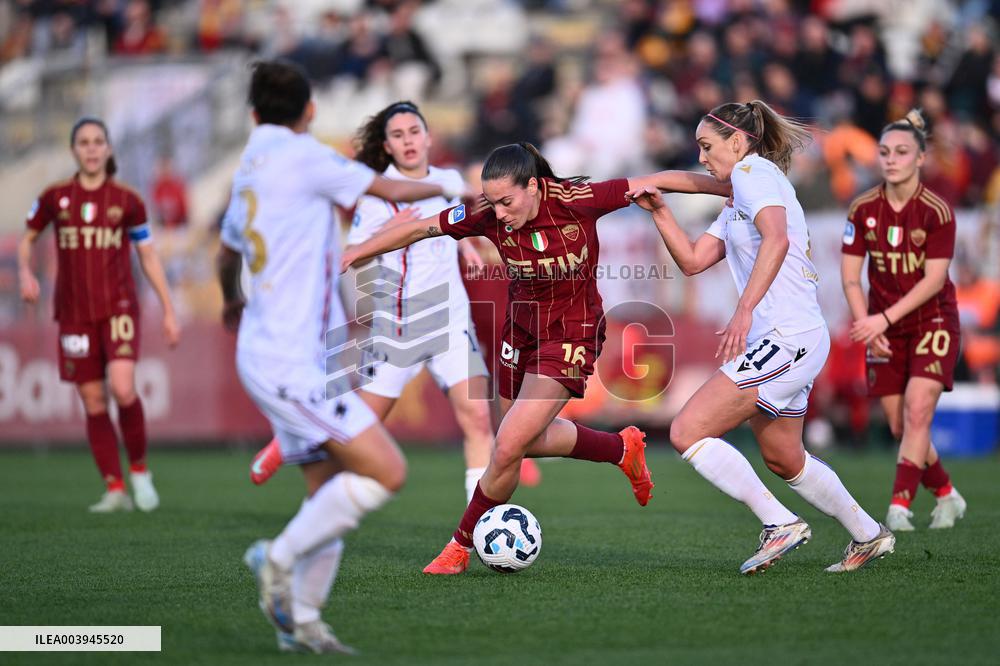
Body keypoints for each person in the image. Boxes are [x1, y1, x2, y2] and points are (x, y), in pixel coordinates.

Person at [341, 141, 731, 575]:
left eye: (507, 201)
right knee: (524, 440)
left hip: (572, 334)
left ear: (534, 187)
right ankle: (622, 448)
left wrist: (730, 188)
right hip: (520, 333)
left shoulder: (579, 200)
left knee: (507, 445)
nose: (500, 212)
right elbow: (420, 228)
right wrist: (357, 252)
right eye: (492, 202)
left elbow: (659, 181)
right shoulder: (488, 216)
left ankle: (459, 546)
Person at [219, 60, 470, 654]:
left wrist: (234, 304)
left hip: (275, 351)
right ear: (308, 112)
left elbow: (228, 251)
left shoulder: (250, 164)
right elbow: (388, 188)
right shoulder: (301, 155)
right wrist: (451, 185)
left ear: (253, 113)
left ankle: (301, 624)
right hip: (292, 362)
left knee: (326, 491)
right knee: (385, 470)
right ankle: (275, 558)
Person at [628, 100, 894, 574]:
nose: (703, 156)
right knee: (784, 456)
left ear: (738, 141)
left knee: (687, 430)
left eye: (707, 146)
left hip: (785, 336)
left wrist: (744, 310)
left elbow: (777, 239)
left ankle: (779, 523)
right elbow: (692, 261)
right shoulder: (744, 192)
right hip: (796, 337)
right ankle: (869, 534)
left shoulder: (753, 172)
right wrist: (659, 210)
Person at [248, 100, 545, 498]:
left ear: (428, 137)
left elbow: (450, 227)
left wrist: (466, 248)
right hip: (398, 329)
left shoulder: (446, 180)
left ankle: (479, 525)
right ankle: (288, 443)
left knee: (477, 417)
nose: (407, 141)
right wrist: (390, 227)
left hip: (451, 322)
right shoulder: (378, 195)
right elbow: (352, 255)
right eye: (398, 135)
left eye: (413, 132)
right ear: (387, 146)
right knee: (358, 431)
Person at [18, 116, 179, 513]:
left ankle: (140, 470)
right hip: (73, 313)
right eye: (84, 142)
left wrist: (168, 308)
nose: (91, 149)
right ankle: (115, 487)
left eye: (97, 142)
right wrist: (25, 271)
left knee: (123, 388)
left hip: (119, 307)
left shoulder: (128, 200)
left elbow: (147, 255)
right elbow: (27, 240)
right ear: (74, 150)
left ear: (108, 149)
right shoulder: (55, 197)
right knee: (93, 400)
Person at [841, 109, 966, 531]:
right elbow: (850, 278)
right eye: (884, 152)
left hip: (933, 320)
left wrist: (882, 319)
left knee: (917, 412)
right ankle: (947, 495)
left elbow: (934, 281)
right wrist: (867, 324)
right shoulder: (862, 208)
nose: (890, 159)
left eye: (901, 152)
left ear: (920, 159)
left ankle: (898, 507)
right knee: (900, 426)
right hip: (883, 328)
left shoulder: (936, 210)